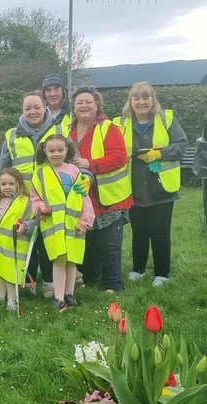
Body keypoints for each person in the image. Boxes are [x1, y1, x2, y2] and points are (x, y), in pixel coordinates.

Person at [114, 81, 188, 287]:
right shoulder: (120, 123)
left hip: (162, 188)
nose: (141, 102)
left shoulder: (167, 119)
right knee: (139, 231)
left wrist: (160, 153)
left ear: (153, 100)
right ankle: (138, 269)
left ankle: (162, 273)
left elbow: (182, 146)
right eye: (136, 98)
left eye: (146, 97)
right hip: (134, 188)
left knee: (160, 231)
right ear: (130, 101)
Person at [69, 86, 133, 293]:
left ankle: (113, 284)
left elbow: (119, 157)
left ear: (97, 105)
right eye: (80, 102)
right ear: (74, 107)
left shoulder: (108, 127)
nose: (84, 105)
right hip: (81, 196)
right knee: (90, 242)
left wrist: (91, 164)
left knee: (110, 244)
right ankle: (90, 278)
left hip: (108, 197)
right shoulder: (67, 130)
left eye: (88, 101)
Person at [0, 90, 54, 299]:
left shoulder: (58, 130)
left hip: (50, 200)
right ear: (22, 110)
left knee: (47, 242)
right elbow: (3, 169)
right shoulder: (11, 134)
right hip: (20, 201)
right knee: (25, 239)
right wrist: (2, 193)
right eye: (28, 108)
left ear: (45, 108)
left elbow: (71, 160)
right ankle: (28, 281)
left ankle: (49, 283)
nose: (32, 112)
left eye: (36, 107)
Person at [31, 135, 95, 311]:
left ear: (67, 150)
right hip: (53, 226)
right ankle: (59, 298)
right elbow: (34, 198)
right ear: (45, 151)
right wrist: (39, 208)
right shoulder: (40, 174)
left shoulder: (75, 171)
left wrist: (86, 221)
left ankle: (70, 294)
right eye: (52, 151)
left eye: (60, 150)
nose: (56, 154)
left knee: (72, 260)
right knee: (59, 260)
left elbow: (84, 198)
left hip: (75, 224)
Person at [0, 168, 34, 311]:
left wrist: (25, 227)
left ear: (19, 185)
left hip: (12, 246)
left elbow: (34, 221)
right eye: (3, 184)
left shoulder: (25, 202)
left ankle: (12, 300)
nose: (7, 187)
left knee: (10, 274)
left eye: (11, 183)